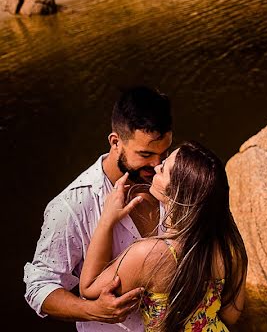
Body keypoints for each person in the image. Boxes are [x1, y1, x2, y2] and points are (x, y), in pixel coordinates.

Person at [24, 86, 174, 331]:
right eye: (145, 154)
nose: (157, 165)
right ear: (116, 142)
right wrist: (94, 310)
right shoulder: (72, 206)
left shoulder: (169, 178)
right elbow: (39, 286)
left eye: (164, 152)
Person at [79, 141, 248, 332]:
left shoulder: (149, 254)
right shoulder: (230, 247)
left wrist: (107, 220)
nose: (157, 166)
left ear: (177, 192)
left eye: (164, 169)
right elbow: (230, 315)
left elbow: (89, 288)